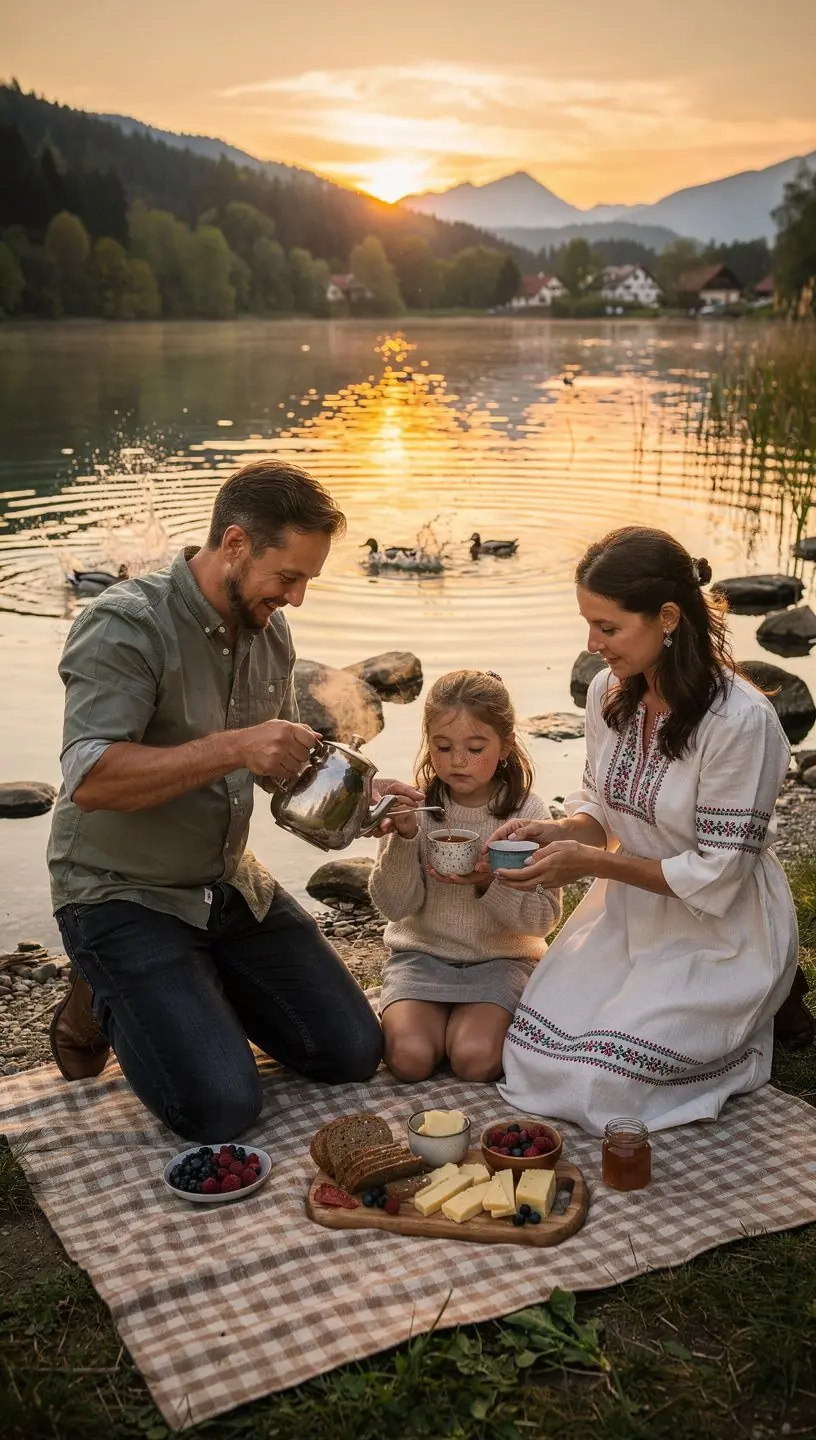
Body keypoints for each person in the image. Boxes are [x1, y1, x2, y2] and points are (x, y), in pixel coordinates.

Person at [47, 459, 418, 1139]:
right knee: (219, 1110)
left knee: (350, 1054)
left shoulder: (269, 630)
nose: (298, 597)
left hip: (227, 886)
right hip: (121, 890)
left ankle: (189, 983)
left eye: (306, 580)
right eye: (290, 577)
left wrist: (362, 803)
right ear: (236, 545)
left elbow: (277, 768)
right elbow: (91, 778)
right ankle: (99, 988)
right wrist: (236, 746)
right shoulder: (125, 625)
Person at [489, 526, 799, 1135]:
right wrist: (563, 832)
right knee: (527, 1056)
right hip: (626, 919)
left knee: (603, 1083)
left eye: (607, 627)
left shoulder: (741, 723)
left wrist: (590, 863)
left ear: (666, 618)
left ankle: (767, 1002)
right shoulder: (610, 691)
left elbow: (719, 874)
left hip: (720, 931)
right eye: (588, 624)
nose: (592, 643)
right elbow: (601, 809)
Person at [369, 670, 561, 1084]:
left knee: (474, 1060)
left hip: (501, 962)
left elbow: (543, 920)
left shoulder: (527, 813)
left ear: (506, 744)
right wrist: (403, 839)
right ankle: (437, 1025)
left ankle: (464, 1027)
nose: (457, 761)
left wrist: (490, 882)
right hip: (422, 957)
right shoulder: (415, 805)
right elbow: (394, 906)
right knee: (409, 1060)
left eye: (475, 748)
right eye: (442, 746)